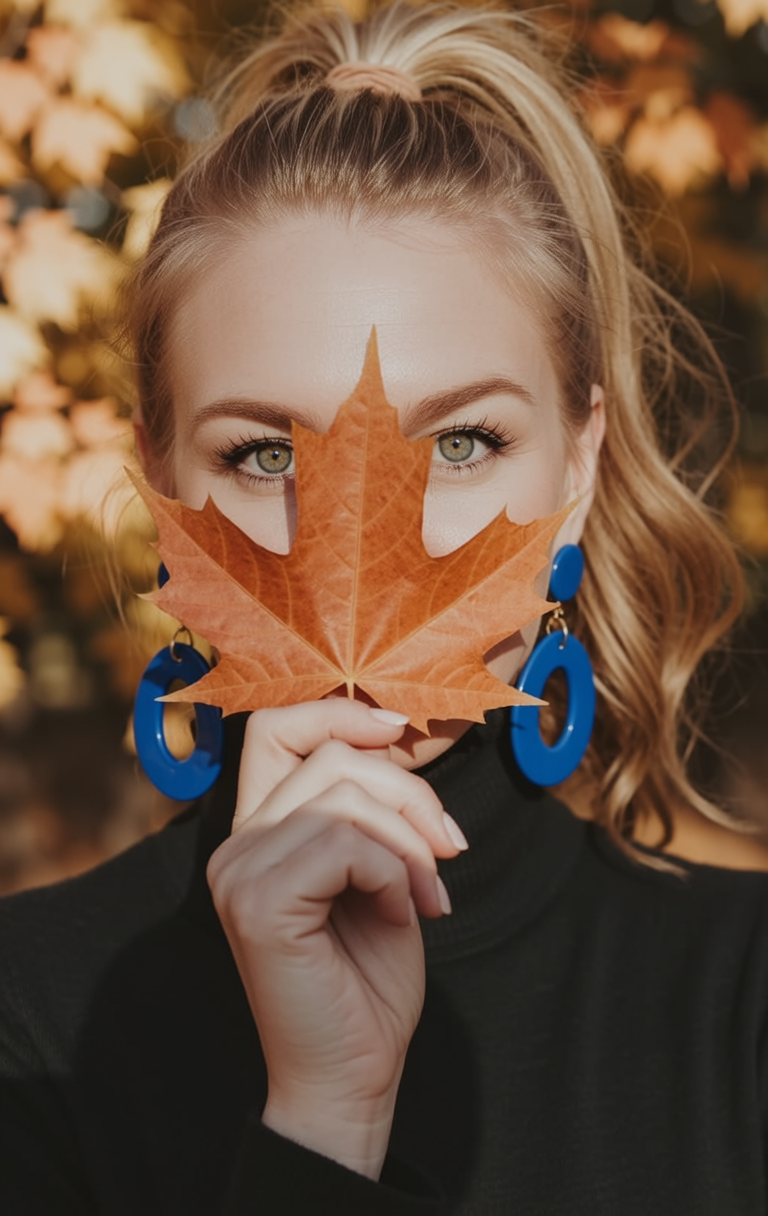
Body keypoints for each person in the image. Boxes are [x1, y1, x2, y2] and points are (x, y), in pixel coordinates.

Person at [2, 3, 768, 1212]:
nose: (364, 544)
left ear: (578, 470)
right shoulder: (30, 1029)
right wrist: (322, 1124)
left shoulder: (743, 1003)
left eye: (463, 441)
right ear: (164, 492)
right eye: (261, 456)